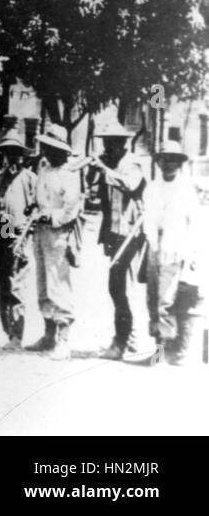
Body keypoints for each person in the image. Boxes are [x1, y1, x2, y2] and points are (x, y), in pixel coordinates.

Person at [87, 123, 146, 360]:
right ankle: (127, 337)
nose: (107, 146)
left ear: (122, 143)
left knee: (120, 286)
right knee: (116, 286)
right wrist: (95, 169)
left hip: (130, 232)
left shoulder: (132, 163)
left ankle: (122, 340)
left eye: (112, 142)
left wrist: (102, 167)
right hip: (113, 232)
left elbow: (130, 185)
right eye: (105, 142)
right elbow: (95, 190)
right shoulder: (110, 164)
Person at [25, 124, 83, 360]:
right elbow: (40, 198)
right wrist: (34, 208)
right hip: (40, 231)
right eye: (46, 147)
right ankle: (48, 335)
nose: (48, 152)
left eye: (53, 148)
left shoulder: (69, 174)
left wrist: (52, 216)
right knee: (43, 281)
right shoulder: (44, 170)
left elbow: (72, 208)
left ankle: (63, 340)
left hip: (59, 233)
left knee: (58, 281)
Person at [143, 141, 201, 366]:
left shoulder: (186, 190)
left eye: (173, 160)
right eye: (165, 159)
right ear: (158, 162)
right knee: (153, 300)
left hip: (177, 250)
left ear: (180, 163)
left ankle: (171, 350)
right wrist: (152, 246)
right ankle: (158, 349)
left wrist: (192, 255)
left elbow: (194, 224)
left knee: (167, 301)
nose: (168, 164)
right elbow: (148, 220)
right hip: (154, 250)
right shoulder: (152, 188)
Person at [0, 133, 37, 349]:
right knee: (3, 284)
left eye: (16, 154)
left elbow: (35, 209)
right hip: (2, 231)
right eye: (8, 154)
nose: (12, 158)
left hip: (19, 233)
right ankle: (8, 331)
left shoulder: (29, 179)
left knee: (17, 285)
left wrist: (25, 233)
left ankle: (17, 334)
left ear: (22, 157)